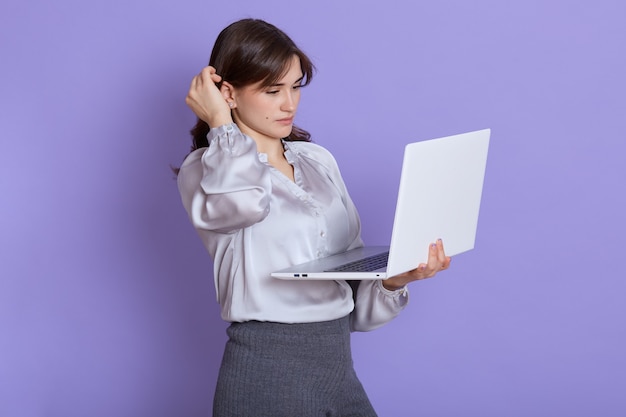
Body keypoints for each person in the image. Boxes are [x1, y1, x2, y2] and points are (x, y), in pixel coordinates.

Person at [177, 18, 451, 417]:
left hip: (337, 368)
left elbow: (351, 286)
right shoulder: (204, 172)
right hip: (266, 373)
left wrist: (394, 279)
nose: (289, 103)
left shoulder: (317, 160)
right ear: (228, 94)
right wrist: (220, 124)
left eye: (295, 87)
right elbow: (246, 205)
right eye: (272, 91)